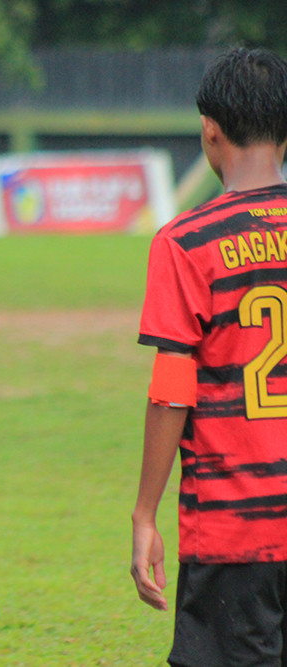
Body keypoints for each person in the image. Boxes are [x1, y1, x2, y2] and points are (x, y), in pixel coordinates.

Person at [130, 46, 287, 666]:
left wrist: (145, 513)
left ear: (210, 130)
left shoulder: (187, 242)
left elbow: (172, 386)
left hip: (233, 530)